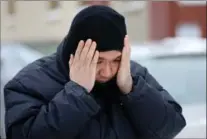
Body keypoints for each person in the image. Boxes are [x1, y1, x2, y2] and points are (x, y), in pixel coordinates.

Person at [4, 5, 186, 139]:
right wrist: (77, 93)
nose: (107, 72)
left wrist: (132, 91)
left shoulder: (133, 76)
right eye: (98, 60)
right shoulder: (28, 83)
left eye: (116, 60)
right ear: (75, 53)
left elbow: (170, 127)